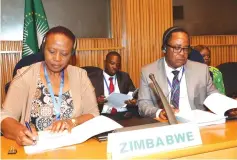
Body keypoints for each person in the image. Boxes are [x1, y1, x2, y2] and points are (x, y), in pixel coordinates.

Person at [1, 26, 99, 146]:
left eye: (64, 54)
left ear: (72, 55)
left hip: (72, 149)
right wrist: (19, 132)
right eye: (52, 51)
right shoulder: (25, 75)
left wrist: (72, 121)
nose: (57, 59)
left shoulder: (80, 76)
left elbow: (93, 114)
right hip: (35, 148)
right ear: (43, 49)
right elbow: (5, 117)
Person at [138, 26, 219, 119]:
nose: (182, 53)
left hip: (196, 123)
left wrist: (229, 106)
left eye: (186, 48)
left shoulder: (201, 70)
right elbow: (143, 104)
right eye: (177, 48)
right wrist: (159, 112)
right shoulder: (148, 71)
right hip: (165, 123)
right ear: (164, 48)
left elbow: (215, 97)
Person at [94, 51, 138, 117]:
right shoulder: (94, 78)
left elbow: (133, 92)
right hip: (104, 114)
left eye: (118, 64)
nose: (115, 67)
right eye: (112, 63)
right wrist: (96, 101)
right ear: (105, 62)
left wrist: (132, 100)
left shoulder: (124, 76)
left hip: (123, 114)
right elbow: (87, 100)